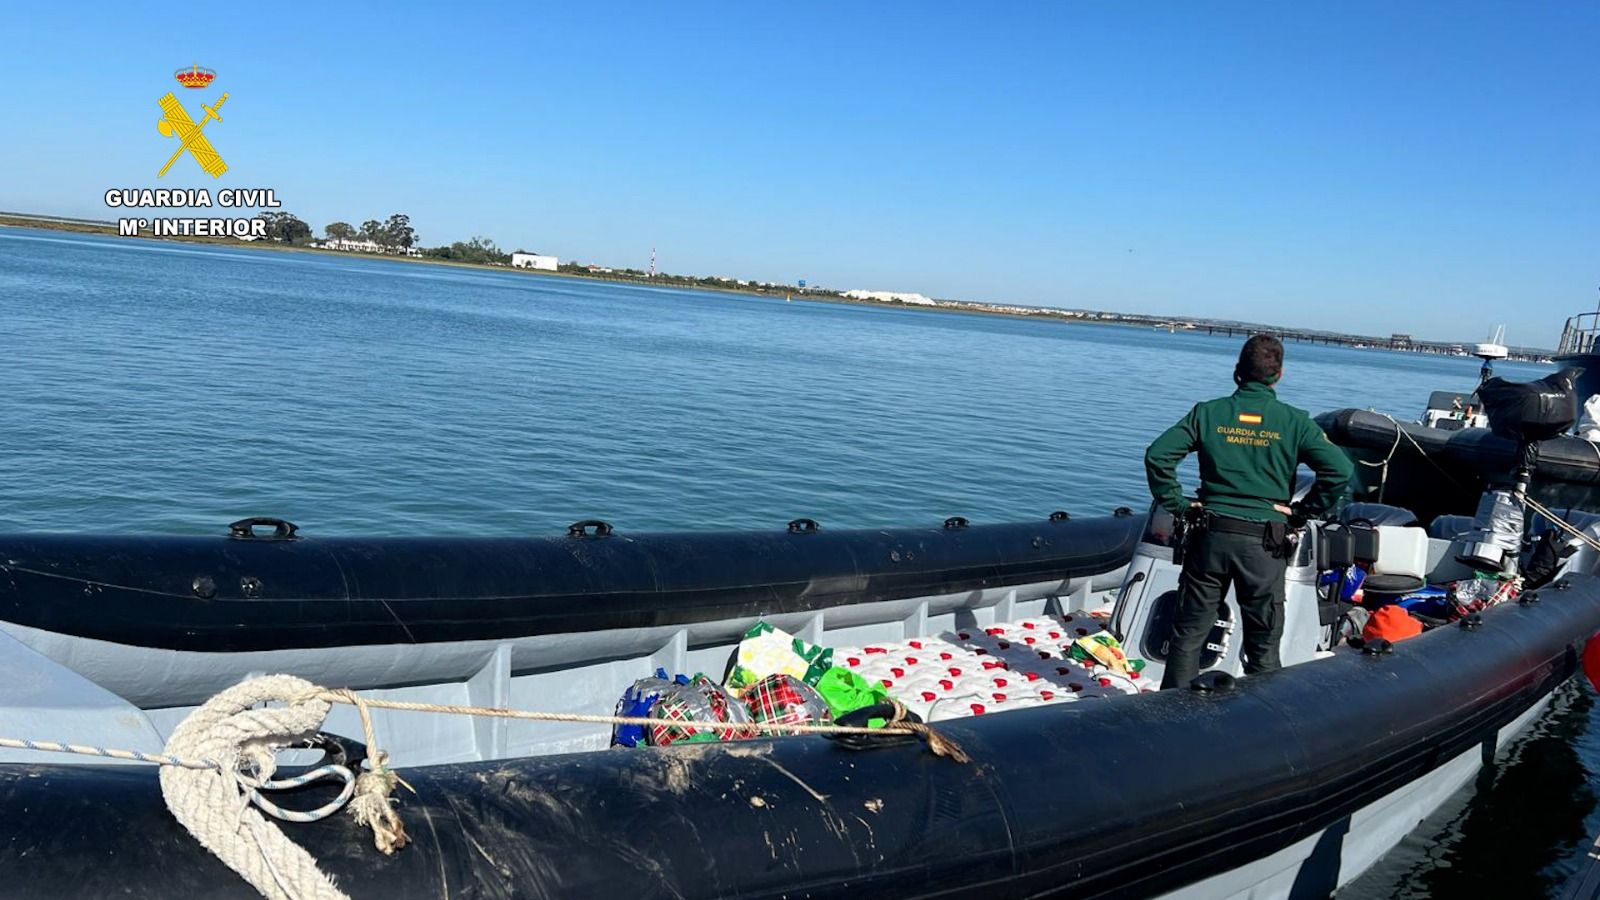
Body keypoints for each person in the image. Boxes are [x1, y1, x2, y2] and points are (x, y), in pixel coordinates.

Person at [1144, 334, 1352, 689]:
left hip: (1210, 537)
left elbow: (1158, 456)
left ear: (1237, 371)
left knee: (1188, 635)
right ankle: (1263, 713)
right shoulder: (1294, 422)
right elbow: (1339, 471)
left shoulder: (1207, 413)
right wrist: (1301, 513)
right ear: (1279, 375)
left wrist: (1179, 504)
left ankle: (1174, 713)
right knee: (1263, 644)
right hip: (1264, 545)